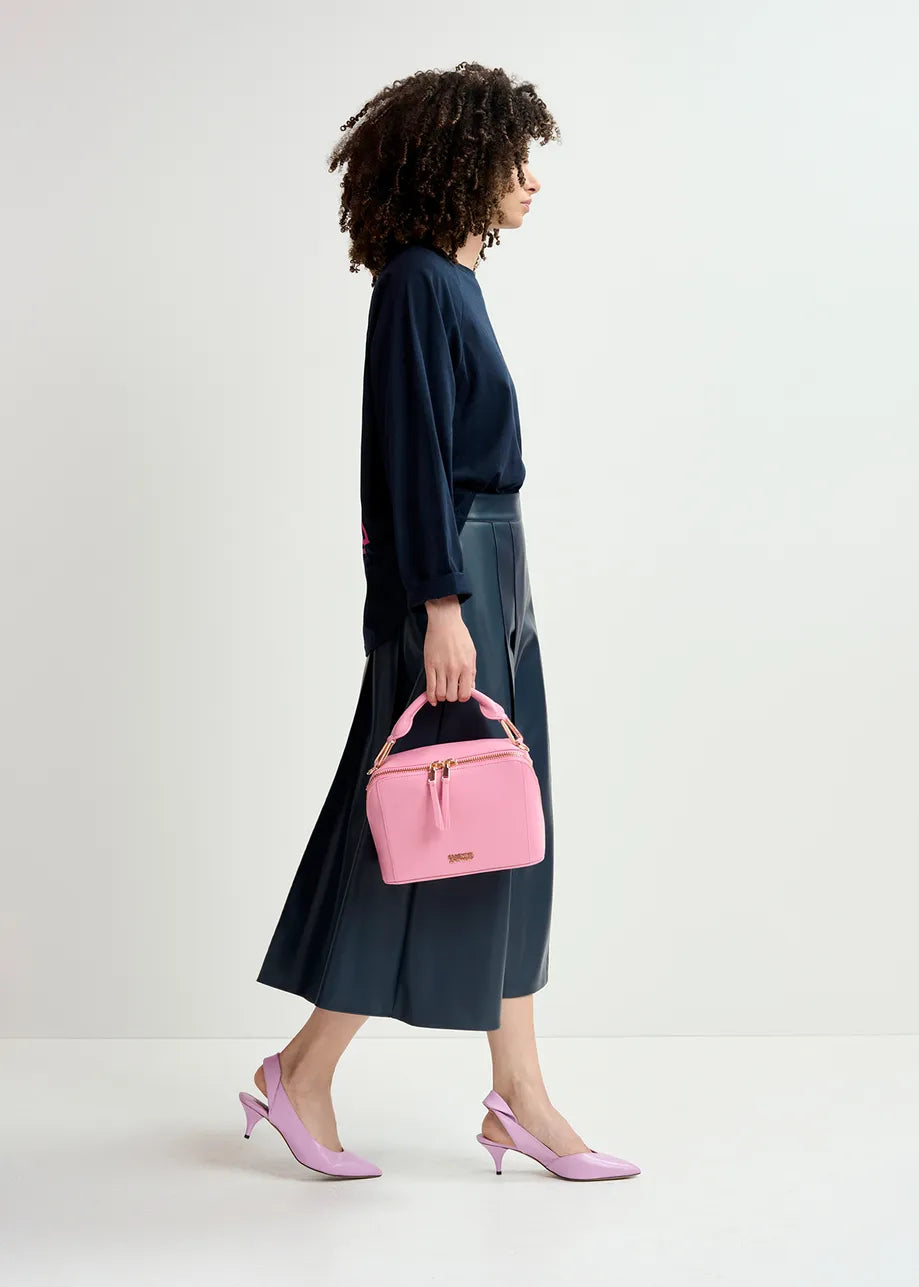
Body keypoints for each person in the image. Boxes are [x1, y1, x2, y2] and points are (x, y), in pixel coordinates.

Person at [239, 61, 640, 1183]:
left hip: (491, 569)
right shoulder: (418, 283)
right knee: (410, 831)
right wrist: (441, 607)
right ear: (462, 162)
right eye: (515, 160)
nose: (531, 184)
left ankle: (510, 1092)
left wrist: (485, 593)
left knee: (499, 822)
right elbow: (408, 461)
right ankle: (312, 1072)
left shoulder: (454, 282)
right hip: (453, 572)